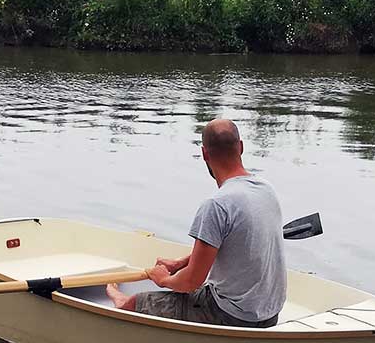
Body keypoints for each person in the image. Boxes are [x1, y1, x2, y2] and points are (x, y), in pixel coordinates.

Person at [106, 118, 286, 327]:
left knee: (137, 302)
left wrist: (163, 279)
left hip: (230, 316)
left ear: (205, 154)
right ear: (241, 147)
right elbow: (234, 245)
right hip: (270, 313)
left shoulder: (217, 205)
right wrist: (180, 264)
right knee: (201, 285)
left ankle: (121, 303)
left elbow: (191, 282)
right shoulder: (266, 190)